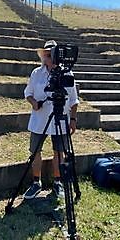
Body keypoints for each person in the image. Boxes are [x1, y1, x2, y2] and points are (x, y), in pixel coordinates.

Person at [23, 40, 79, 200]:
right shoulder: (36, 73)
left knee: (59, 152)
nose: (48, 57)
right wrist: (34, 103)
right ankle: (36, 182)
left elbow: (74, 100)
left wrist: (73, 119)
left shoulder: (67, 73)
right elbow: (28, 93)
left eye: (51, 54)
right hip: (39, 120)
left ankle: (57, 182)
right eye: (46, 54)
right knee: (35, 152)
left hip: (61, 119)